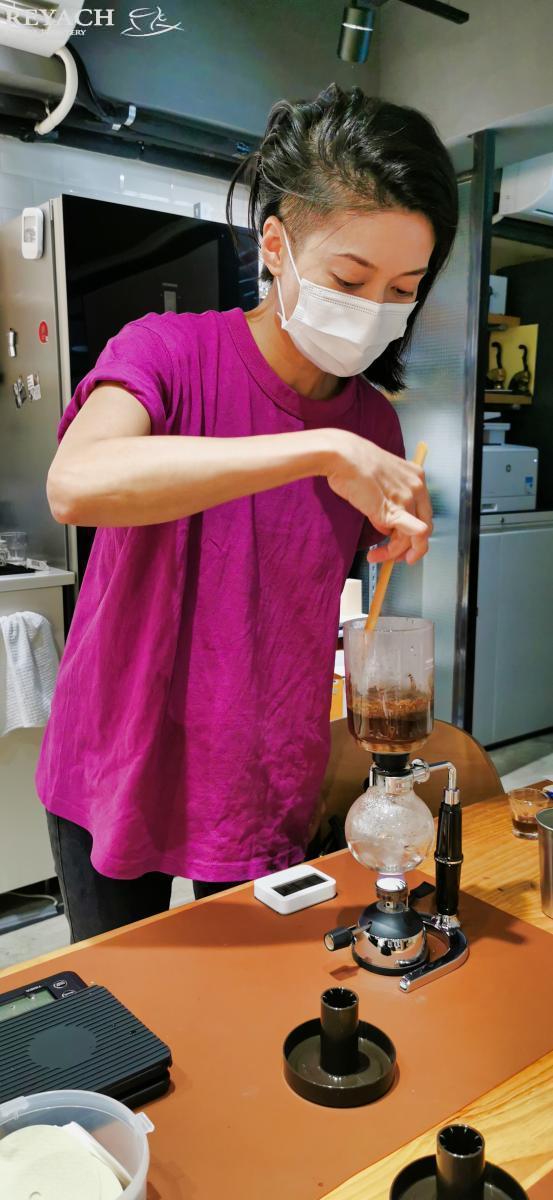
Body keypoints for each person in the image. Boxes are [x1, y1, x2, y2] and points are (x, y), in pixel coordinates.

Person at [37, 83, 457, 942]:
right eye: (349, 278)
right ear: (275, 246)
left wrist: (389, 540)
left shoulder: (373, 423)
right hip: (119, 759)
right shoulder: (166, 352)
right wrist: (316, 451)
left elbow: (299, 583)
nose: (374, 309)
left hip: (260, 777)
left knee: (254, 1003)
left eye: (402, 288)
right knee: (119, 1005)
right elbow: (76, 482)